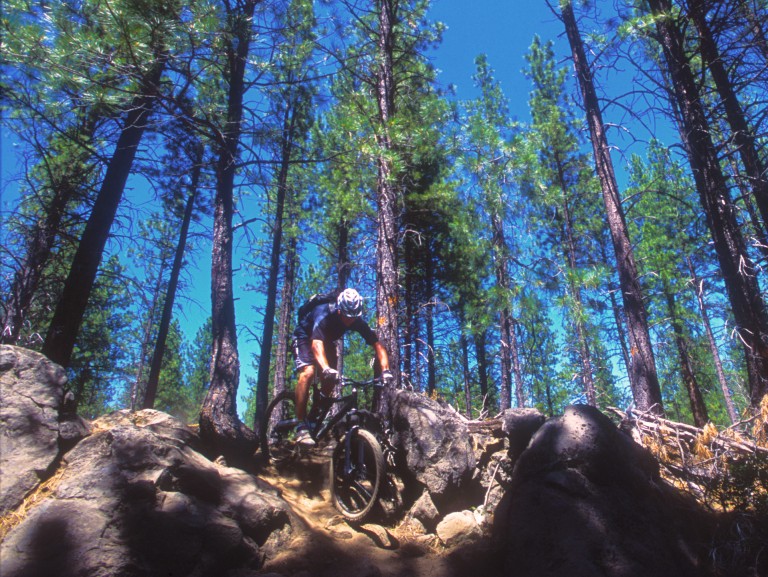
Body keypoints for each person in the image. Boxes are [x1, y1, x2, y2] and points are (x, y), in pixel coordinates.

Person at [292, 287, 393, 446]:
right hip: (305, 337)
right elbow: (316, 344)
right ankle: (301, 425)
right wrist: (325, 368)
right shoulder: (323, 313)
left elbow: (378, 345)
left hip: (326, 341)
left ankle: (313, 417)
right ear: (339, 310)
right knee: (309, 372)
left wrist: (386, 371)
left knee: (331, 381)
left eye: (353, 317)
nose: (350, 321)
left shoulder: (355, 319)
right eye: (347, 317)